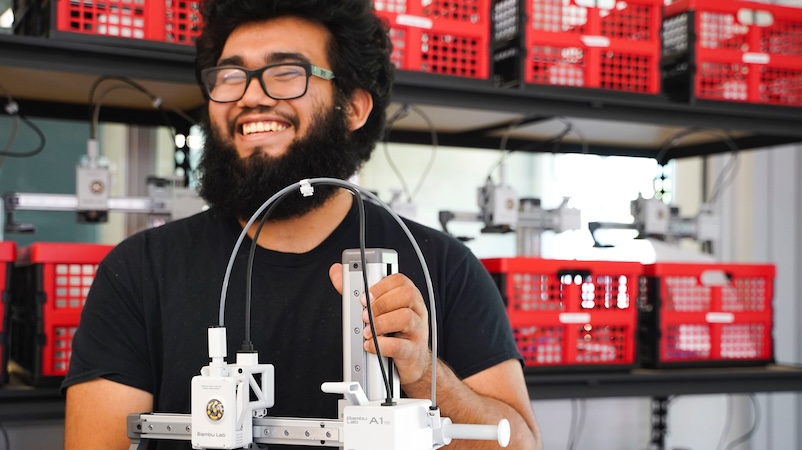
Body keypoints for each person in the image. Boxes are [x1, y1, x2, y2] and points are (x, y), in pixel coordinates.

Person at [62, 1, 542, 449]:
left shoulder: (442, 268)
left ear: (353, 106)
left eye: (286, 72)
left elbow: (518, 440)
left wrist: (423, 375)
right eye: (231, 75)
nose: (250, 95)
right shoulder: (139, 272)